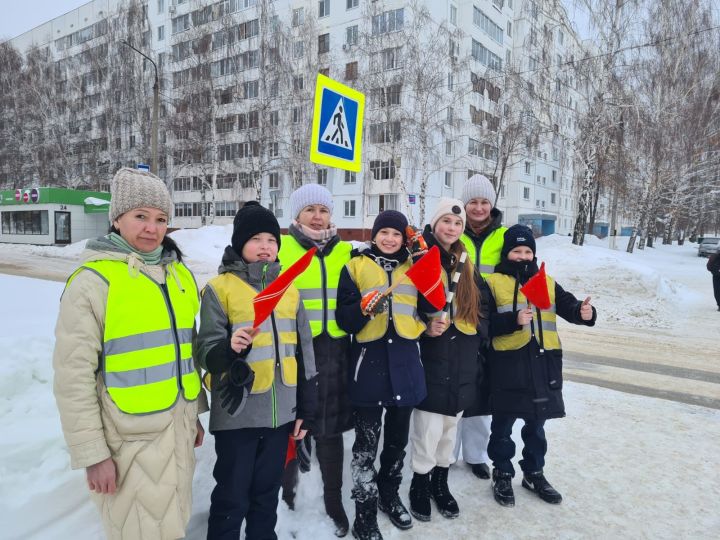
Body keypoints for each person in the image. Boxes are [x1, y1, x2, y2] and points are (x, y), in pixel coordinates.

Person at [52, 167, 206, 539]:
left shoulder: (179, 276)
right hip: (128, 444)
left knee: (173, 525)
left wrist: (195, 412)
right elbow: (72, 378)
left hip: (178, 431)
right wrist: (92, 454)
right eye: (140, 216)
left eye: (160, 219)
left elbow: (186, 352)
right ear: (116, 218)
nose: (152, 228)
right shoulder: (93, 282)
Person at [196, 201, 318, 540]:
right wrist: (229, 348)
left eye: (271, 239)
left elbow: (305, 353)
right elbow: (205, 352)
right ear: (239, 243)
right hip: (239, 414)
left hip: (281, 416)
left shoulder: (289, 291)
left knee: (267, 495)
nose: (265, 247)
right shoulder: (219, 289)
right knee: (232, 497)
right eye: (256, 239)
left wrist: (306, 409)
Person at [485, 225, 597, 507]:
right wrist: (513, 320)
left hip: (542, 364)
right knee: (503, 426)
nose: (523, 256)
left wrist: (584, 313)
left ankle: (534, 472)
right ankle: (502, 472)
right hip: (508, 366)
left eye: (527, 251)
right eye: (516, 251)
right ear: (507, 253)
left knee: (536, 426)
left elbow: (569, 306)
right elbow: (481, 323)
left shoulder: (546, 281)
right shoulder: (493, 282)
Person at [336, 210, 427, 540]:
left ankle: (389, 494)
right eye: (384, 232)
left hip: (405, 365)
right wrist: (361, 308)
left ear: (404, 238)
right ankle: (365, 511)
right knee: (365, 446)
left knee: (397, 443)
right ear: (374, 235)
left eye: (396, 234)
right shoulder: (355, 266)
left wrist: (427, 264)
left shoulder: (414, 268)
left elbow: (431, 306)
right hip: (369, 366)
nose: (390, 239)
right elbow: (344, 320)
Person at [278, 184, 353, 537]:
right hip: (295, 349)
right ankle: (287, 493)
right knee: (293, 423)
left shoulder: (345, 252)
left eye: (323, 210)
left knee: (331, 426)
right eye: (310, 210)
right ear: (296, 215)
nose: (318, 216)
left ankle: (333, 498)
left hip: (335, 346)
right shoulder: (282, 249)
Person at [408, 199, 489, 522]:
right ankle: (419, 482)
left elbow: (481, 306)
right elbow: (407, 304)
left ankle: (441, 482)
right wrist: (425, 327)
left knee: (450, 425)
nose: (451, 228)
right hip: (434, 351)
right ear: (434, 223)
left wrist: (477, 333)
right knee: (429, 424)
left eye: (457, 224)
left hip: (463, 352)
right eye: (445, 221)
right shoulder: (420, 257)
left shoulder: (465, 260)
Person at [455, 174, 508, 480]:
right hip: (457, 322)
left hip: (490, 324)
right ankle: (446, 454)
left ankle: (475, 455)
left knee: (482, 391)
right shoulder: (453, 232)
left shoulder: (502, 237)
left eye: (483, 202)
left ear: (492, 205)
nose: (478, 208)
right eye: (472, 202)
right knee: (453, 388)